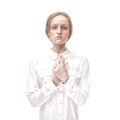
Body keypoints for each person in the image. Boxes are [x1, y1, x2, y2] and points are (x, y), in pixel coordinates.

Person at [27, 11, 90, 120]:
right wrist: (53, 82)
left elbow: (82, 100)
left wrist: (66, 80)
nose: (59, 31)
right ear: (48, 32)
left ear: (70, 32)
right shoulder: (36, 62)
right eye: (54, 27)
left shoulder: (82, 61)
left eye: (64, 27)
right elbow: (33, 101)